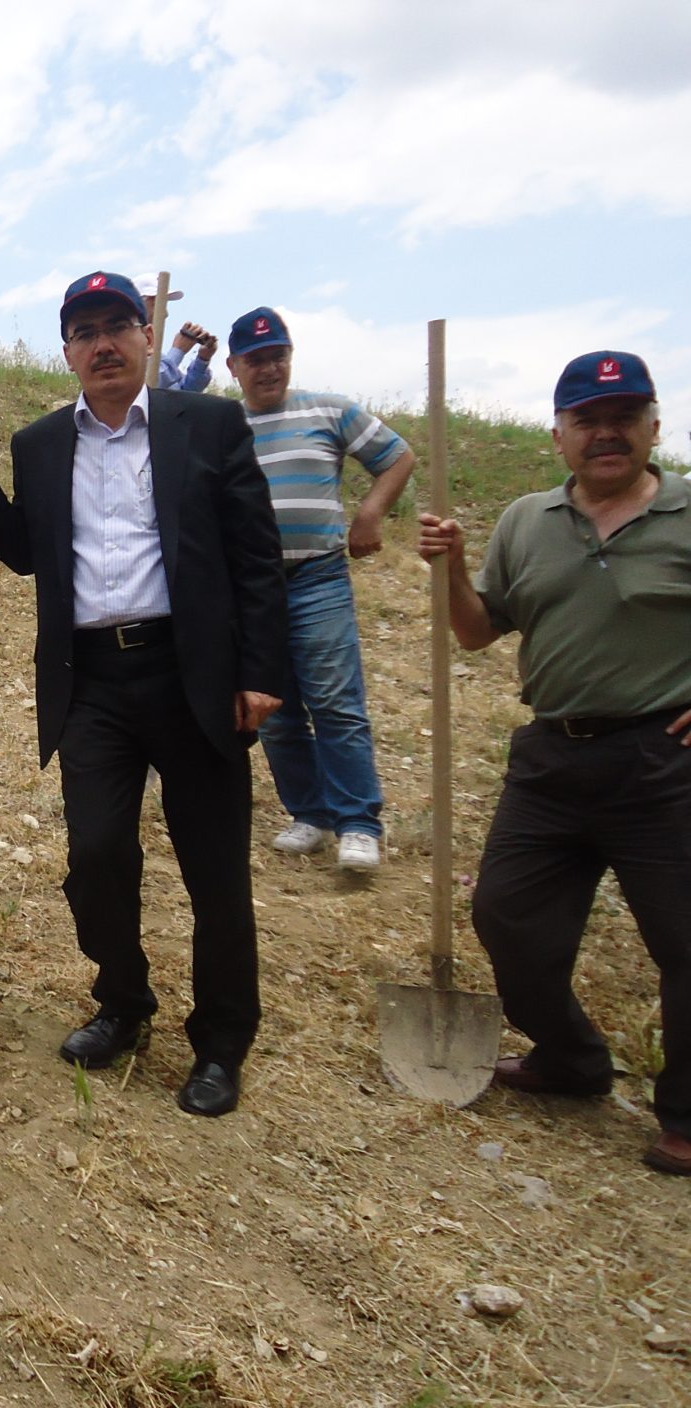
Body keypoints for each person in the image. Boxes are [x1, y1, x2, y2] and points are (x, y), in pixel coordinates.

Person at [0, 271, 285, 1117]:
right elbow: (27, 552)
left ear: (146, 335)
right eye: (84, 332)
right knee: (96, 855)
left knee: (214, 871)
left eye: (117, 326)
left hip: (191, 675)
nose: (102, 345)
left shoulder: (208, 424)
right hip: (91, 680)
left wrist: (261, 671)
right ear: (67, 353)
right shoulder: (42, 443)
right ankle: (124, 1001)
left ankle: (222, 1043)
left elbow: (256, 554)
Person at [418, 350, 690, 1179]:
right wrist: (452, 569)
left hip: (663, 759)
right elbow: (477, 631)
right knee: (506, 916)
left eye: (623, 417)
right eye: (587, 420)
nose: (606, 433)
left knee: (683, 939)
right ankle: (571, 1058)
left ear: (652, 426)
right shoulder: (526, 521)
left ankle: (685, 1115)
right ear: (559, 434)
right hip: (551, 756)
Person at [227, 306, 415, 871]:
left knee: (335, 703)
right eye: (256, 360)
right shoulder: (224, 425)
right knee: (274, 708)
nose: (269, 369)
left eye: (278, 356)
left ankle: (358, 823)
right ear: (233, 366)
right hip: (252, 587)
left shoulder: (330, 410)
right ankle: (310, 814)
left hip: (317, 577)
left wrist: (370, 515)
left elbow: (398, 457)